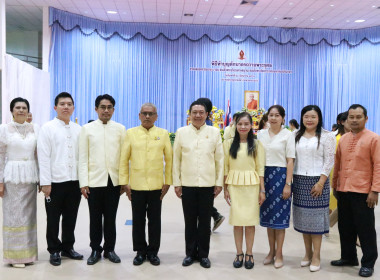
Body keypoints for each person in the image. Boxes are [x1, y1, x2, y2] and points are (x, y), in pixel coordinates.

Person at [119, 103, 172, 266]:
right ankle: (140, 251)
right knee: (138, 220)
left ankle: (153, 252)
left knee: (155, 220)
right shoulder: (131, 133)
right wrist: (124, 183)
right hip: (136, 185)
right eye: (144, 113)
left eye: (151, 114)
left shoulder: (163, 134)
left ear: (156, 116)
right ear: (139, 115)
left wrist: (168, 181)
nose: (147, 116)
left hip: (157, 186)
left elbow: (169, 160)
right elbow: (123, 159)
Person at [173, 100, 224, 268]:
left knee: (204, 222)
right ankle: (189, 254)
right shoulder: (181, 132)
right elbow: (176, 160)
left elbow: (219, 159)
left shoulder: (214, 132)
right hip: (187, 184)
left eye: (201, 112)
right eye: (194, 112)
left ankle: (203, 255)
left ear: (207, 114)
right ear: (189, 114)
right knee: (189, 221)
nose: (197, 115)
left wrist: (218, 183)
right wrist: (177, 182)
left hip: (207, 184)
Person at [331, 104, 380, 278]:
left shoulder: (374, 138)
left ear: (366, 119)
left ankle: (368, 263)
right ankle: (349, 257)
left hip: (363, 191)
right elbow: (337, 164)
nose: (354, 120)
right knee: (345, 227)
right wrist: (334, 184)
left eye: (358, 117)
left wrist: (375, 190)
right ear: (346, 119)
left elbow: (378, 165)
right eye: (351, 117)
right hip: (343, 189)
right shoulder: (343, 139)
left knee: (365, 229)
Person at [79, 94, 126, 265]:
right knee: (95, 218)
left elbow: (123, 157)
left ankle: (110, 249)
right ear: (96, 109)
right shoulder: (87, 129)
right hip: (94, 182)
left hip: (113, 182)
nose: (106, 110)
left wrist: (123, 180)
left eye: (109, 107)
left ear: (113, 109)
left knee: (111, 218)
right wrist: (83, 182)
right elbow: (83, 157)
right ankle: (95, 249)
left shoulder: (120, 129)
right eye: (102, 107)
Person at [38, 92, 83, 266]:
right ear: (55, 107)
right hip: (55, 182)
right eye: (62, 104)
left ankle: (67, 247)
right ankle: (54, 250)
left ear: (73, 107)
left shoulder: (78, 129)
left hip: (74, 181)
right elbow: (43, 156)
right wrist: (45, 183)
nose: (66, 107)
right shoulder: (47, 128)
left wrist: (83, 182)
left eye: (69, 104)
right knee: (53, 218)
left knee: (71, 217)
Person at [293, 105, 336, 272]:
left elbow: (329, 161)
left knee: (316, 222)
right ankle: (307, 253)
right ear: (302, 118)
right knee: (304, 219)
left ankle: (317, 255)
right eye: (306, 117)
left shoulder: (327, 136)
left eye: (313, 117)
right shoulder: (295, 135)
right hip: (299, 181)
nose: (309, 120)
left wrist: (321, 182)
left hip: (319, 181)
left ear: (319, 118)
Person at [0, 97, 39, 268]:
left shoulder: (35, 128)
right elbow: (1, 156)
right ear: (12, 111)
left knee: (28, 215)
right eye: (18, 107)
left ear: (28, 111)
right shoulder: (4, 129)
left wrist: (41, 179)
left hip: (30, 176)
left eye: (24, 107)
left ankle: (28, 254)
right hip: (12, 176)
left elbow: (38, 155)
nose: (21, 110)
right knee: (13, 216)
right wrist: (0, 181)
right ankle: (14, 257)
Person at [224, 112, 265, 269]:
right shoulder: (227, 144)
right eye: (240, 124)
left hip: (252, 186)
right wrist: (225, 188)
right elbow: (225, 167)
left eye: (246, 124)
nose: (242, 127)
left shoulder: (256, 144)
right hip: (234, 185)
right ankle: (238, 253)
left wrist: (262, 190)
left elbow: (260, 168)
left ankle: (249, 253)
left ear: (251, 126)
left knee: (249, 222)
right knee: (237, 221)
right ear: (235, 125)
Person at [258, 105, 295, 269]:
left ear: (283, 118)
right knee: (268, 218)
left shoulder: (288, 135)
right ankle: (271, 251)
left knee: (280, 219)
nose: (273, 118)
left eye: (277, 115)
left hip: (281, 178)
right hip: (264, 177)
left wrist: (288, 184)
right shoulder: (261, 134)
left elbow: (290, 160)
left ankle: (279, 253)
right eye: (271, 115)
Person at [197, 97, 225, 232]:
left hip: (206, 174)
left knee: (203, 203)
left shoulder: (209, 128)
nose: (197, 115)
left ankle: (212, 218)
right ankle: (214, 216)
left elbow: (218, 157)